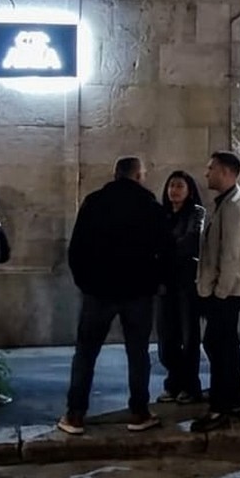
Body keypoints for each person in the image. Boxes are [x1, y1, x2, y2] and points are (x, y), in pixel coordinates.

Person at [59, 157, 168, 436]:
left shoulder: (94, 203)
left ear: (115, 174)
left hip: (99, 291)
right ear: (138, 175)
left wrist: (85, 283)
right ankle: (139, 412)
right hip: (138, 291)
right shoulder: (150, 206)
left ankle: (75, 414)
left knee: (86, 352)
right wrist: (154, 282)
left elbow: (77, 248)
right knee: (138, 353)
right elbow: (164, 250)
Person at [193, 151, 240, 432]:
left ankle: (221, 407)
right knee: (224, 346)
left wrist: (218, 295)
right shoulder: (228, 202)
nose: (207, 173)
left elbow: (230, 258)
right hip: (226, 291)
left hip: (226, 293)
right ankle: (231, 402)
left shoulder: (233, 207)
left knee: (219, 347)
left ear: (227, 172)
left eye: (211, 168)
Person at [156, 171, 206, 405]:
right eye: (171, 186)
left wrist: (166, 251)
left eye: (179, 186)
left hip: (187, 283)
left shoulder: (196, 213)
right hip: (166, 283)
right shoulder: (162, 214)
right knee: (167, 338)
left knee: (189, 336)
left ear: (189, 190)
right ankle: (174, 381)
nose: (173, 191)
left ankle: (190, 385)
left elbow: (190, 242)